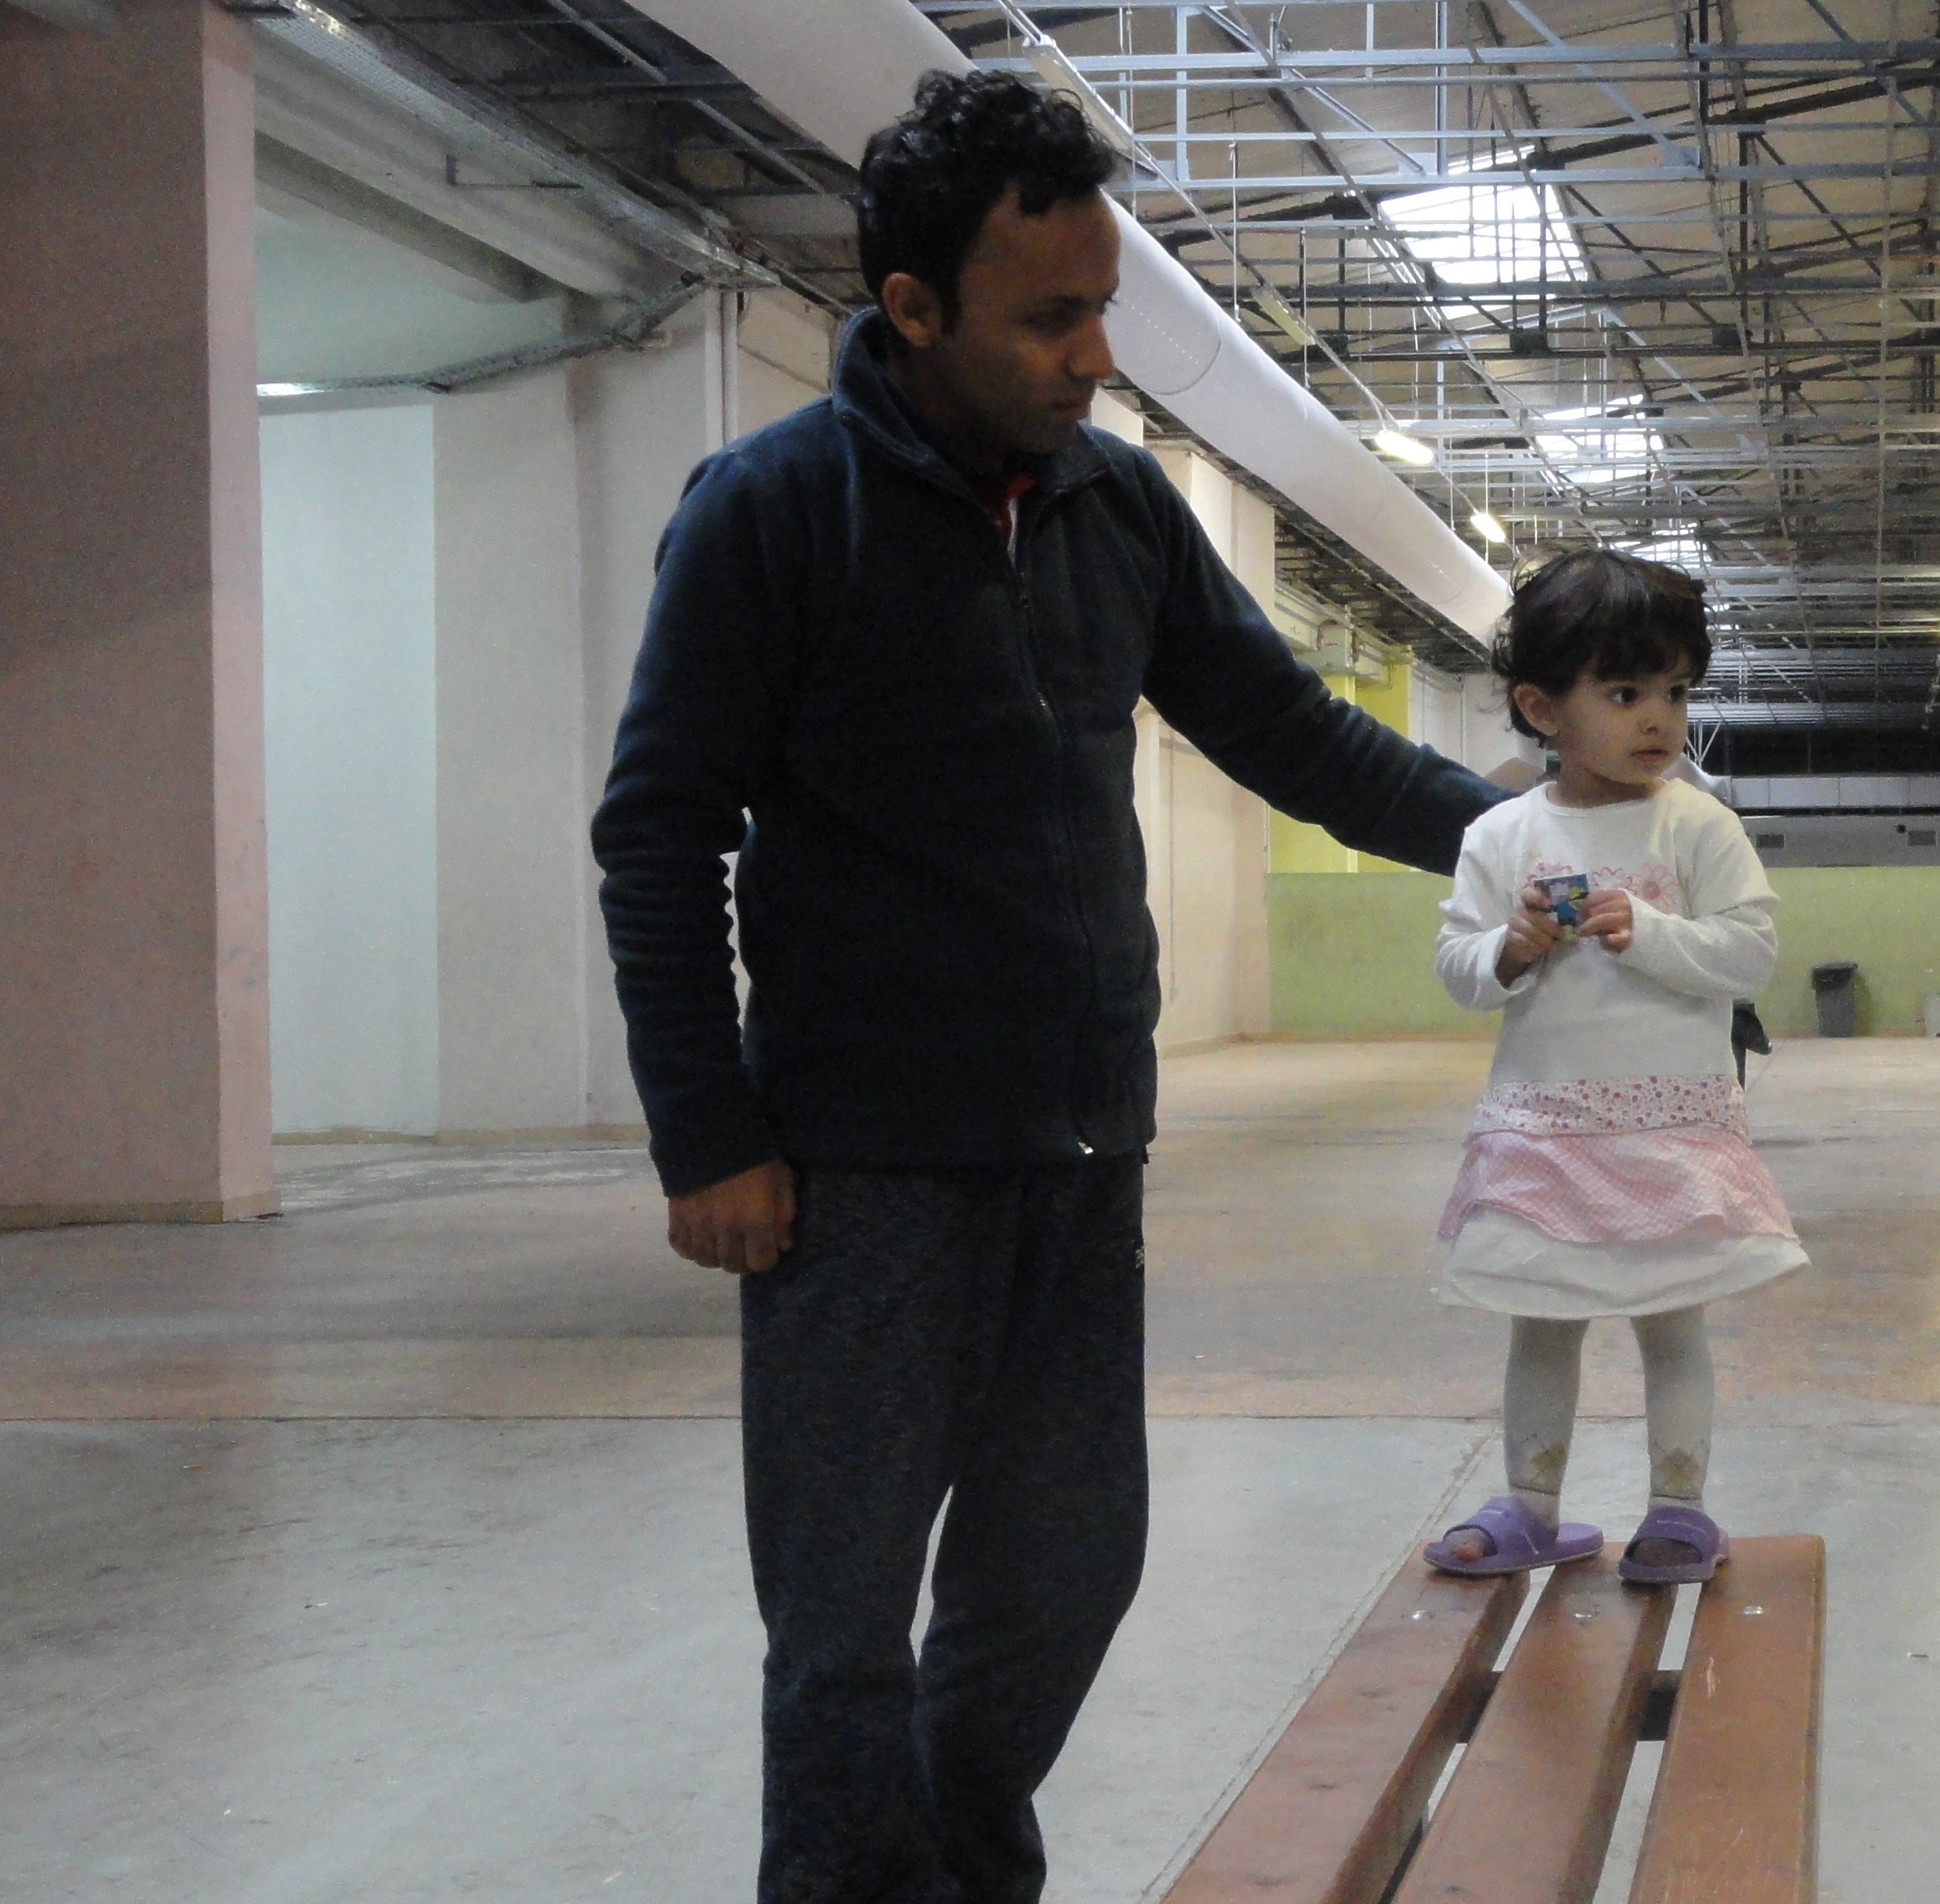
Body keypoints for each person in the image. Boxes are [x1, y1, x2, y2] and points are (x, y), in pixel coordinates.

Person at [589, 73, 1501, 1902]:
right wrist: (707, 1132)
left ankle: (949, 1867)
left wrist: (1532, 840)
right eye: (1051, 317)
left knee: (1066, 1570)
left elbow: (1294, 736)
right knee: (843, 1627)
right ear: (914, 308)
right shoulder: (775, 509)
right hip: (859, 1174)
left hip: (1081, 1151)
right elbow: (658, 832)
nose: (1095, 358)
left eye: (1105, 309)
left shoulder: (1114, 505)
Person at [1420, 550, 1808, 1585]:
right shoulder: (1501, 835)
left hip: (1669, 1133)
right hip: (1544, 1132)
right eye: (1626, 693)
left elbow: (1750, 955)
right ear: (1542, 709)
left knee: (1672, 1323)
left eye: (1675, 692)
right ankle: (1532, 1506)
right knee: (1543, 1324)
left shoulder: (1699, 825)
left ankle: (1679, 1509)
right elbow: (1458, 966)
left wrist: (1651, 931)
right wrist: (1510, 949)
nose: (1659, 720)